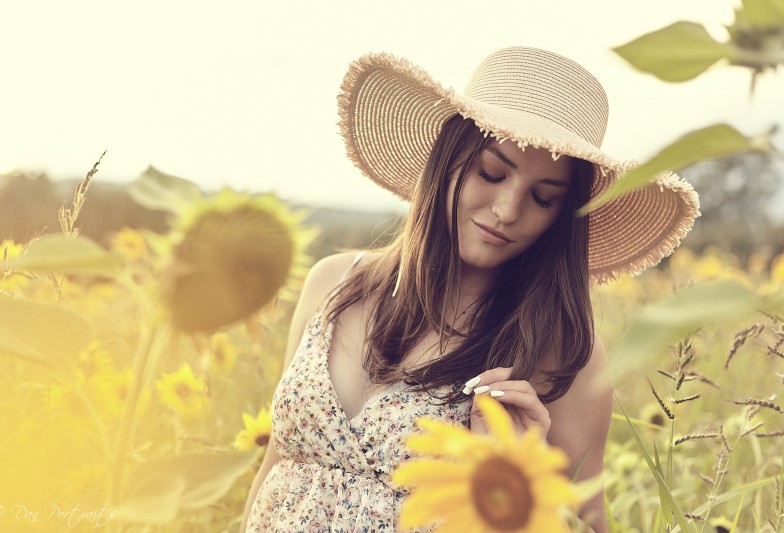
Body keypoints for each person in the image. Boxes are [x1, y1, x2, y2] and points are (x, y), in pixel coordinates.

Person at [240, 47, 699, 532]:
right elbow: (276, 465)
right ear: (448, 159)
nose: (507, 209)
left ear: (562, 218)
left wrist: (521, 477)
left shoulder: (563, 356)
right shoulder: (333, 284)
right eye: (491, 173)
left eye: (543, 198)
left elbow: (586, 523)